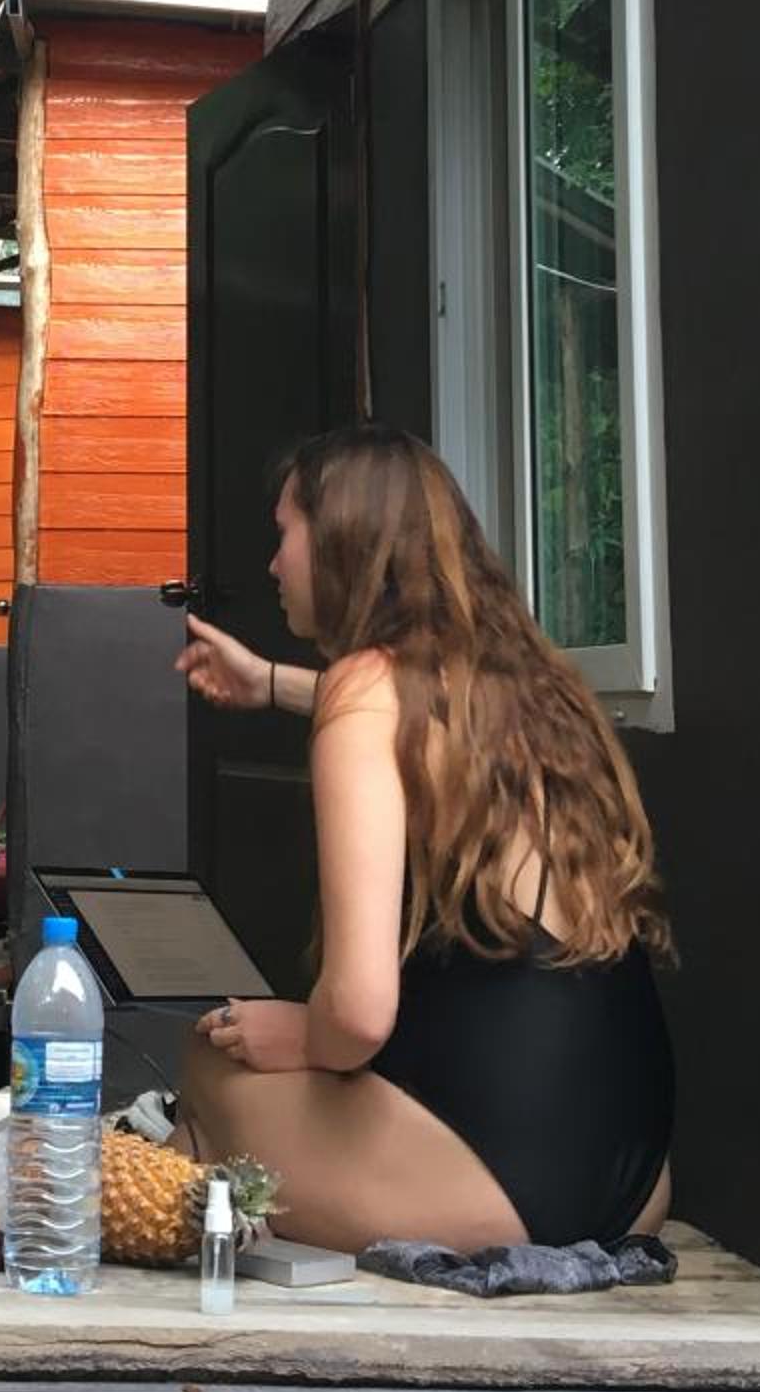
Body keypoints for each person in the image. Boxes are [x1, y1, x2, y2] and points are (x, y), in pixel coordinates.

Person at [164, 424, 673, 1253]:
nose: (273, 564)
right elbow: (408, 720)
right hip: (634, 1178)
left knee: (210, 1058)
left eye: (285, 533)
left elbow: (358, 1016)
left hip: (504, 1187)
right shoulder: (533, 689)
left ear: (341, 542)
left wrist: (304, 1032)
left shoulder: (365, 695)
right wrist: (272, 683)